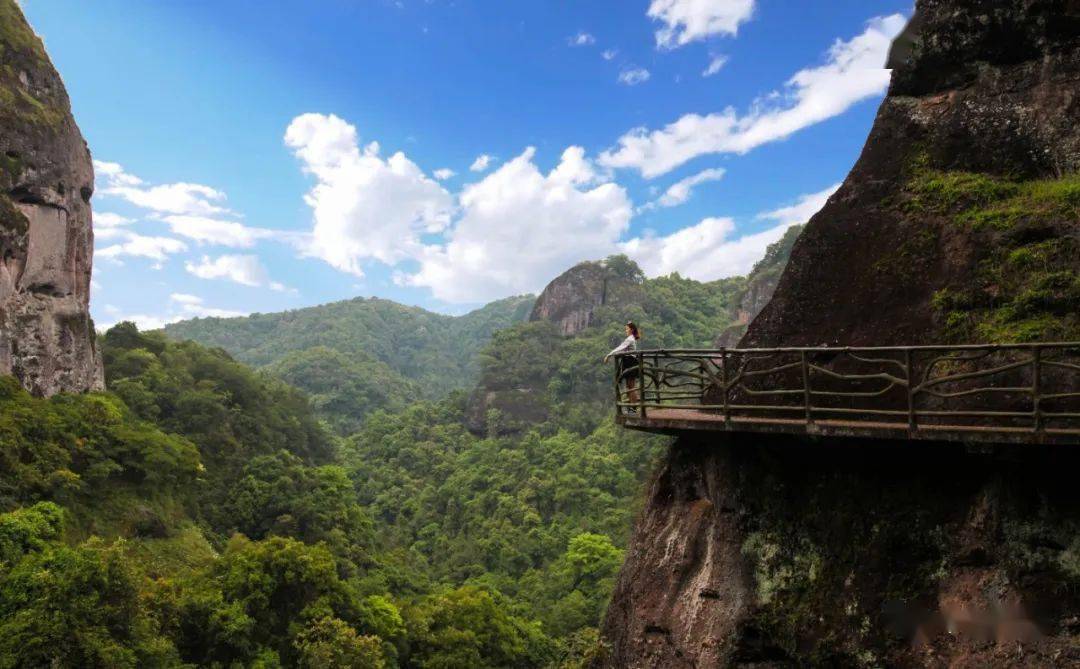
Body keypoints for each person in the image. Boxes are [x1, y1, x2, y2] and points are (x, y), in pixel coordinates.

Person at [604, 321, 642, 408]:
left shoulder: (630, 339)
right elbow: (623, 349)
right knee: (629, 386)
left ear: (631, 330)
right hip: (629, 362)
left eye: (627, 329)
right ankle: (632, 409)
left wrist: (609, 355)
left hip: (630, 362)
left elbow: (620, 348)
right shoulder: (630, 338)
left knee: (631, 387)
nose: (626, 330)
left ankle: (633, 409)